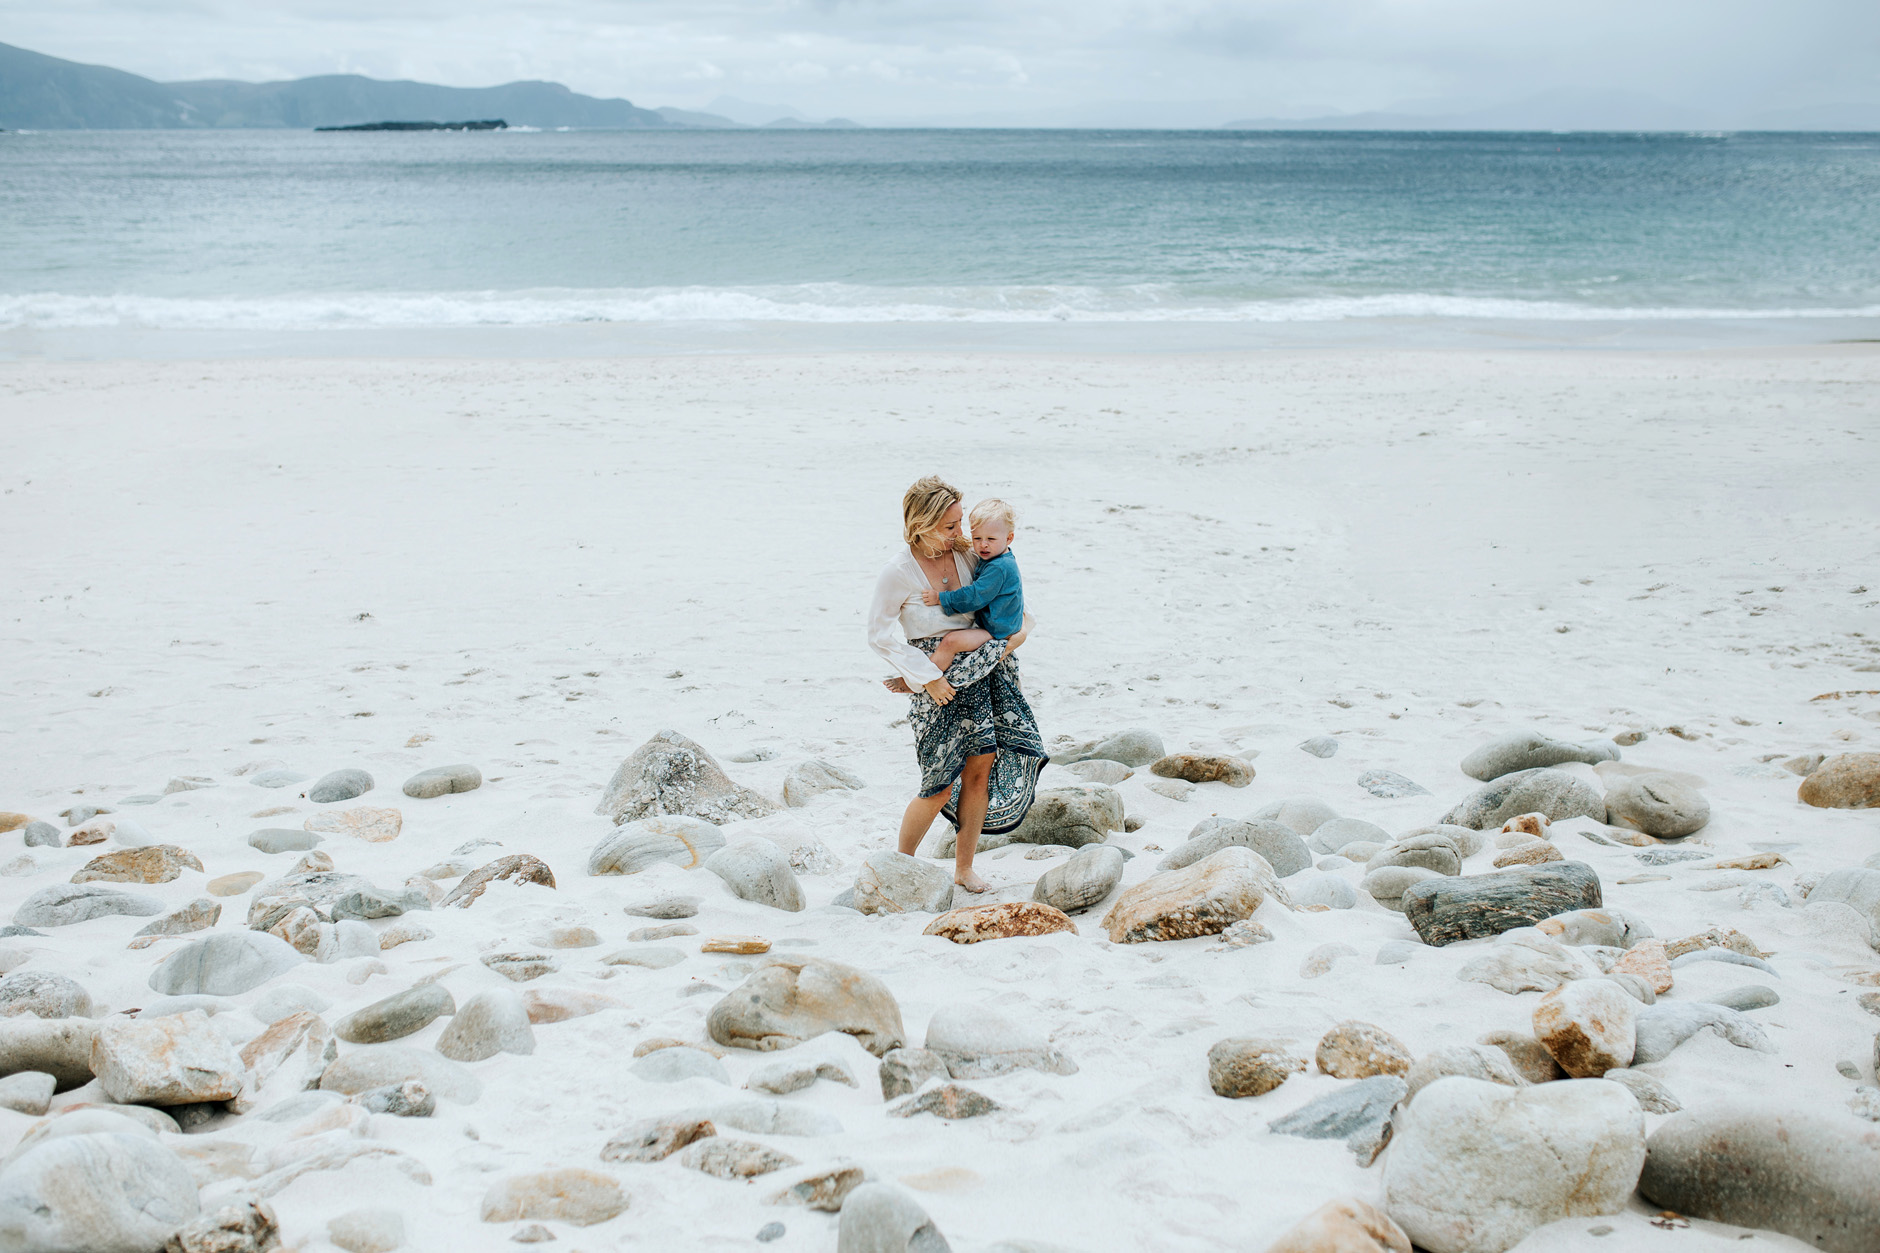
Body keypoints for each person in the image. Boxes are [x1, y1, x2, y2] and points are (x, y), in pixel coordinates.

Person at [866, 476, 1046, 893]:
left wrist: (1008, 642)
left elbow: (1011, 601)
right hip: (937, 680)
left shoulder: (970, 555)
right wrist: (926, 678)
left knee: (980, 769)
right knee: (939, 779)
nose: (960, 534)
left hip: (985, 671)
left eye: (960, 522)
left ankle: (964, 868)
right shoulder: (898, 571)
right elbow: (878, 635)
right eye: (950, 527)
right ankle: (900, 865)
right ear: (921, 524)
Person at [920, 497, 1023, 672]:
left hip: (998, 632)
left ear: (1009, 538)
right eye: (977, 538)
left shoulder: (999, 567)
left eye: (991, 538)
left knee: (950, 642)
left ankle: (920, 681)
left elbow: (975, 596)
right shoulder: (997, 557)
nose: (983, 544)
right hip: (999, 624)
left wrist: (941, 598)